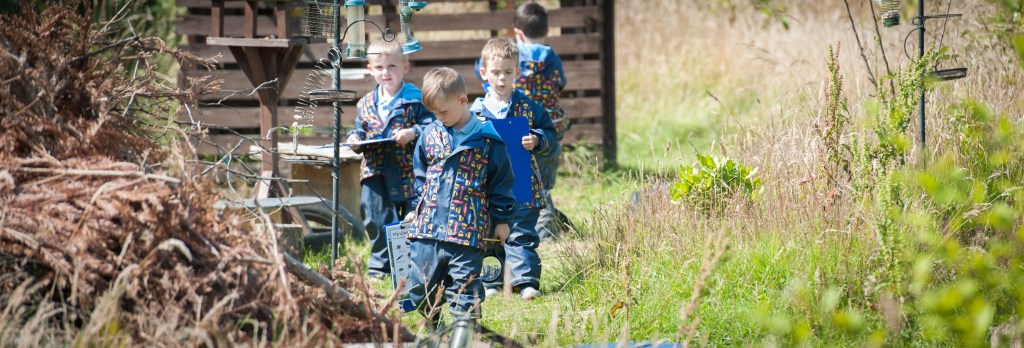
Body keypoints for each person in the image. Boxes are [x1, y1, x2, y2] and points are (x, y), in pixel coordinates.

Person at [405, 67, 517, 322]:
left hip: (466, 230)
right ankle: (434, 329)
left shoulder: (488, 140)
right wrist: (415, 208)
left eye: (443, 112)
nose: (439, 117)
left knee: (465, 292)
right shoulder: (430, 136)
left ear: (463, 100)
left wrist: (501, 220)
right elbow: (421, 176)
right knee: (419, 289)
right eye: (434, 113)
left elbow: (501, 183)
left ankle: (463, 334)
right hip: (427, 230)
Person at [471, 38, 557, 300]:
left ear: (517, 74)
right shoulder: (476, 112)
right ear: (484, 73)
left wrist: (538, 139)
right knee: (490, 234)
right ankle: (492, 281)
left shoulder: (528, 108)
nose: (501, 79)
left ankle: (526, 281)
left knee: (521, 233)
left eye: (508, 73)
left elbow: (551, 135)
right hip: (487, 187)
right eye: (496, 73)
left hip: (522, 183)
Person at [345, 40, 435, 278]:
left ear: (406, 67)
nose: (386, 73)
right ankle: (380, 266)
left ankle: (412, 264)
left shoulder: (417, 98)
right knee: (375, 215)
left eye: (392, 66)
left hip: (408, 168)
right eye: (380, 67)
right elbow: (359, 130)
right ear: (370, 69)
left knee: (412, 214)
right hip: (374, 168)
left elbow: (431, 126)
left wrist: (412, 133)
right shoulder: (365, 103)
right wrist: (355, 139)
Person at [514, 2, 568, 241]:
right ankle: (557, 221)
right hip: (552, 130)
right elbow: (561, 83)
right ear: (546, 33)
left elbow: (480, 71)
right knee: (543, 182)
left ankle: (546, 235)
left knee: (532, 185)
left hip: (522, 131)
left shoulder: (512, 60)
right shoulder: (553, 60)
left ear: (518, 33)